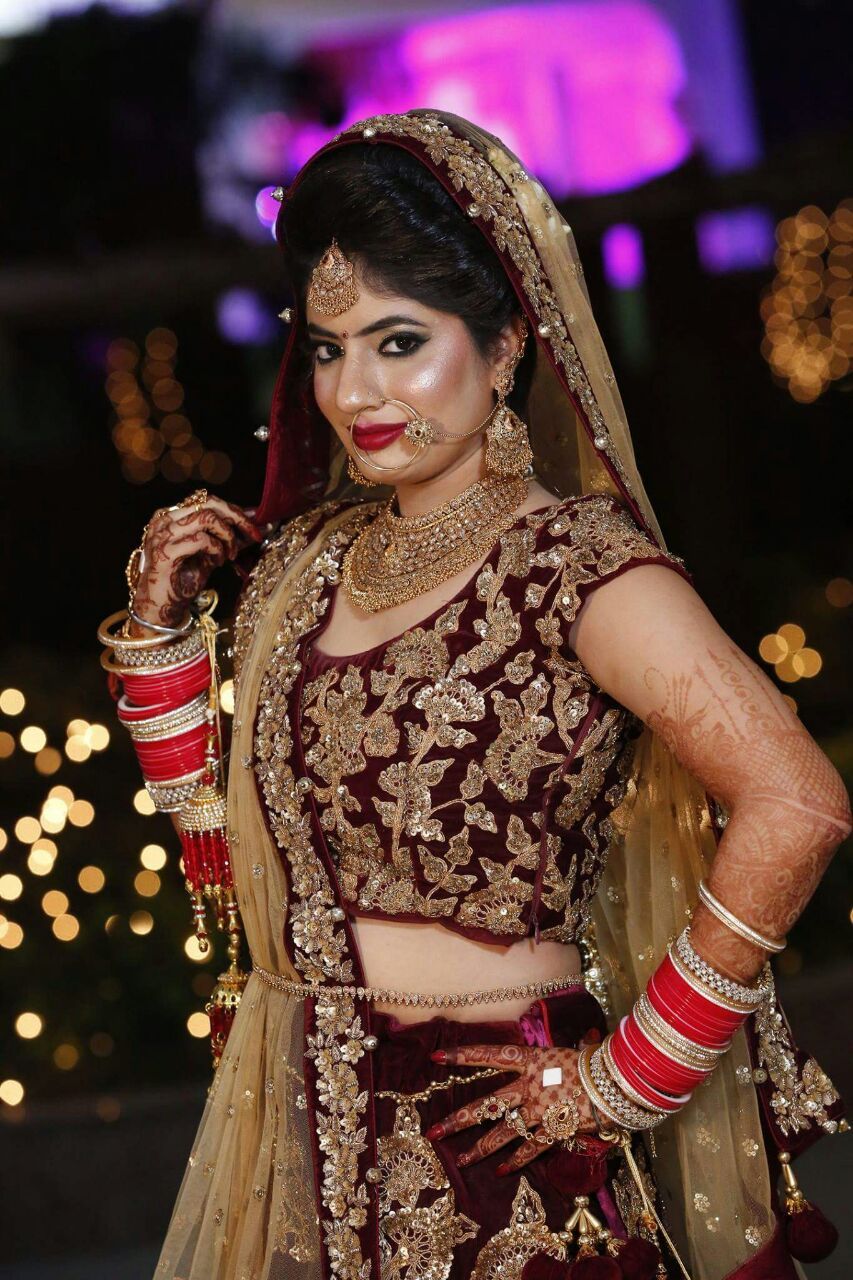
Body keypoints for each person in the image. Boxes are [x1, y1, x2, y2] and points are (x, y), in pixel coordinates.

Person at [99, 111, 850, 1280]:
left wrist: (631, 1072)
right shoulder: (311, 562)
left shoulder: (578, 570)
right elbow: (215, 828)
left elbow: (797, 802)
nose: (355, 390)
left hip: (502, 1161)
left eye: (399, 341)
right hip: (304, 1152)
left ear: (505, 348)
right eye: (328, 348)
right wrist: (159, 635)